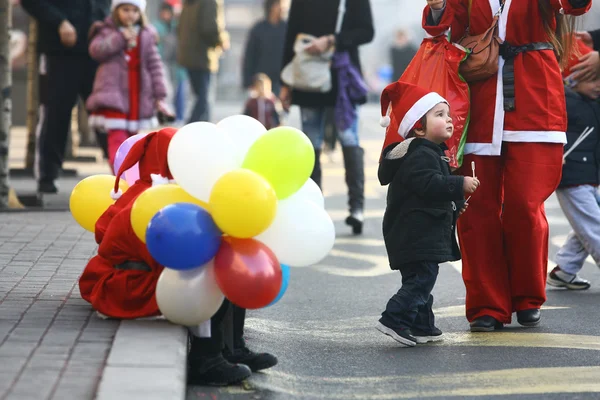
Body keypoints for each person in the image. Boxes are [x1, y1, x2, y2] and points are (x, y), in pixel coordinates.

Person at [423, 0, 591, 331]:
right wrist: (438, 8)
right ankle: (487, 304)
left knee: (524, 206)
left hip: (535, 104)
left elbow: (574, 6)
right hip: (478, 107)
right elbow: (443, 28)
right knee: (475, 209)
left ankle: (528, 297)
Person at [79, 128, 277, 386]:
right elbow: (165, 255)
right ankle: (207, 359)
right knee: (213, 269)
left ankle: (232, 347)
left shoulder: (162, 192)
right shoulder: (151, 198)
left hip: (135, 279)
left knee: (232, 255)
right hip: (126, 286)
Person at [376, 81, 478, 346]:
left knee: (419, 279)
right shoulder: (420, 153)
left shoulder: (431, 152)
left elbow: (428, 193)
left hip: (414, 232)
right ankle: (394, 318)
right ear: (418, 128)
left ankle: (422, 326)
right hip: (415, 233)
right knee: (422, 279)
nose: (448, 120)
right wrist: (459, 184)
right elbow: (429, 184)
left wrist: (455, 203)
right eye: (439, 115)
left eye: (448, 114)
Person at [280, 0, 374, 235]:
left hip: (343, 77)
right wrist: (285, 82)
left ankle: (356, 209)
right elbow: (291, 33)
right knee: (310, 144)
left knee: (349, 138)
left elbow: (366, 31)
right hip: (307, 77)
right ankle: (314, 209)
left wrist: (332, 40)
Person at [20, 0, 111, 193]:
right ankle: (47, 176)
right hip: (59, 52)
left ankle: (123, 172)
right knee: (55, 115)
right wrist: (59, 22)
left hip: (96, 53)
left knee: (107, 115)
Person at [86, 0, 172, 172]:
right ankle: (119, 172)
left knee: (133, 141)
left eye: (135, 10)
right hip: (114, 95)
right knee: (117, 137)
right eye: (125, 10)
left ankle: (130, 173)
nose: (130, 14)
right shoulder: (106, 30)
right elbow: (96, 50)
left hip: (136, 95)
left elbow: (155, 66)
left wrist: (159, 95)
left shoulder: (146, 35)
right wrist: (119, 38)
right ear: (116, 11)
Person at [548, 38, 600, 291]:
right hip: (571, 177)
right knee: (594, 226)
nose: (599, 85)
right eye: (593, 79)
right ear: (572, 78)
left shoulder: (592, 102)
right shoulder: (562, 102)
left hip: (590, 176)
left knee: (588, 223)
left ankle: (565, 269)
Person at [177, 0, 230, 123]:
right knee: (205, 101)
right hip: (204, 56)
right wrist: (223, 40)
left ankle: (196, 130)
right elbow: (211, 28)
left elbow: (179, 28)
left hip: (188, 55)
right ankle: (191, 130)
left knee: (200, 98)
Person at [242, 0, 287, 96]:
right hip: (261, 81)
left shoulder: (286, 28)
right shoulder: (258, 29)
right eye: (279, 4)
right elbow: (249, 56)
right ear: (271, 6)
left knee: (278, 110)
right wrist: (248, 81)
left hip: (281, 81)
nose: (282, 8)